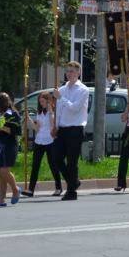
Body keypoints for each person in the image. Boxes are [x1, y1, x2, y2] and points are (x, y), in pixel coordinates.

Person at [53, 61, 89, 201]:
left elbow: (74, 108)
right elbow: (59, 110)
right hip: (62, 129)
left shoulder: (83, 90)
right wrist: (55, 126)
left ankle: (71, 192)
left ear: (78, 73)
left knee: (71, 162)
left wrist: (61, 98)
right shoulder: (62, 89)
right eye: (68, 71)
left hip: (75, 128)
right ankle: (73, 182)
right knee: (56, 158)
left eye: (72, 71)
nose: (69, 74)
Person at [22, 92, 62, 197]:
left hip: (50, 141)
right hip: (39, 141)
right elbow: (37, 129)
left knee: (52, 164)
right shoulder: (39, 113)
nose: (41, 104)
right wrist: (30, 121)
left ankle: (58, 187)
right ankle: (31, 190)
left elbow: (53, 125)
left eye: (43, 101)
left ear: (48, 101)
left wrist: (50, 112)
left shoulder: (52, 112)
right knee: (35, 165)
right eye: (40, 102)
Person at [0, 92, 22, 207]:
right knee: (1, 173)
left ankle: (15, 190)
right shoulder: (0, 114)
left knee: (4, 171)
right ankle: (1, 200)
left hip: (9, 145)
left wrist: (1, 127)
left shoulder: (13, 114)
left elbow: (17, 131)